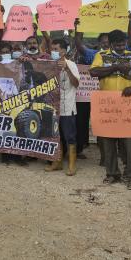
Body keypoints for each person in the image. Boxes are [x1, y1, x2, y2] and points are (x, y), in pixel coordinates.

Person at [90, 29, 131, 190]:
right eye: (117, 45)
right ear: (110, 44)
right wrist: (116, 66)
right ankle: (112, 174)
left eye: (123, 44)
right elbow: (93, 72)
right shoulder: (101, 55)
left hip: (128, 106)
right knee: (108, 143)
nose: (120, 47)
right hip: (108, 106)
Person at [45, 39, 80, 175]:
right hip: (52, 107)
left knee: (69, 136)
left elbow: (76, 84)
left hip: (67, 107)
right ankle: (57, 162)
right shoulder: (48, 64)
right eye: (52, 49)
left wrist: (66, 68)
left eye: (56, 49)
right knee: (55, 135)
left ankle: (72, 164)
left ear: (64, 51)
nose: (53, 51)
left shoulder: (71, 64)